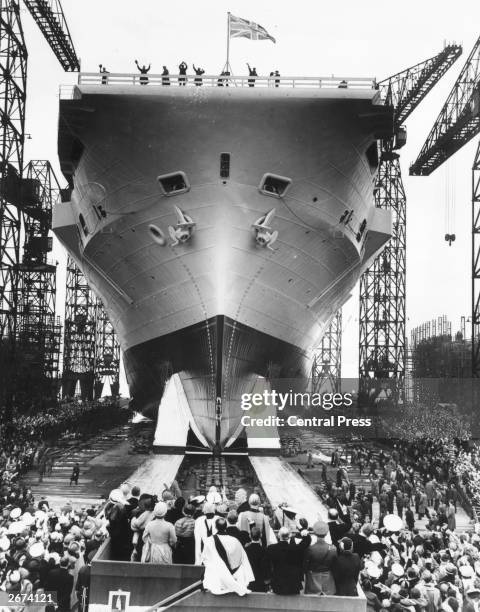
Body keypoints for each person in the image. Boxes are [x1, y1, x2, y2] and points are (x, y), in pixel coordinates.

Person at [202, 517, 254, 596]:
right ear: (226, 527)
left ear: (215, 527)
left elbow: (206, 560)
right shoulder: (235, 540)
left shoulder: (209, 541)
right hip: (235, 576)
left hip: (218, 579)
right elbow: (242, 559)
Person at [264, 526, 308, 595]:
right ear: (289, 536)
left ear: (278, 536)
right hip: (293, 585)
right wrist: (302, 529)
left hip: (278, 585)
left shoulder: (271, 549)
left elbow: (265, 565)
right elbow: (307, 541)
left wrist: (269, 580)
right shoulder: (296, 549)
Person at [303, 521, 337, 595]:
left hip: (313, 581)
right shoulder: (333, 548)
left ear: (315, 533)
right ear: (326, 533)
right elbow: (335, 566)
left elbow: (305, 566)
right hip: (328, 582)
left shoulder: (310, 549)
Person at [245, 527, 267, 592]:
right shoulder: (264, 550)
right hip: (260, 579)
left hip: (249, 579)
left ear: (250, 535)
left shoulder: (246, 549)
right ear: (260, 535)